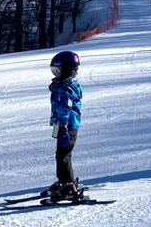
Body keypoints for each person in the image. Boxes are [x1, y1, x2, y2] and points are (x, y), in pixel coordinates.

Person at [45, 51, 83, 202]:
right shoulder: (63, 84)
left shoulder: (67, 88)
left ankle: (68, 184)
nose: (56, 74)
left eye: (58, 71)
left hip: (66, 127)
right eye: (54, 70)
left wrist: (64, 129)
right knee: (60, 155)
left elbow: (65, 109)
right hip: (61, 126)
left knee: (64, 156)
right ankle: (63, 181)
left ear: (67, 69)